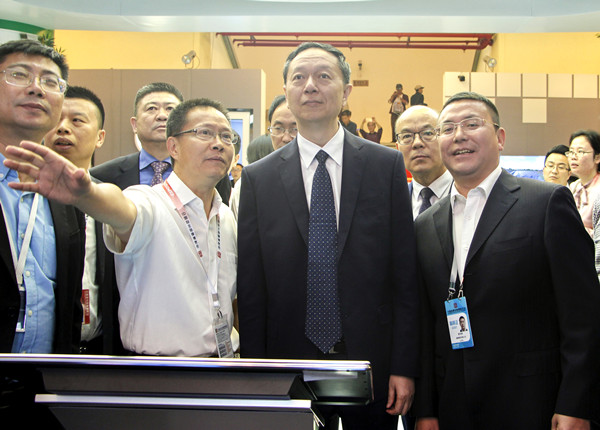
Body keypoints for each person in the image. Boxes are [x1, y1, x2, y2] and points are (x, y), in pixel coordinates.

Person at [237, 42, 418, 430]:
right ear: (286, 92)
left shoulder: (385, 165)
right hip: (287, 366)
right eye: (298, 78)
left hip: (370, 362)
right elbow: (252, 289)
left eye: (323, 76)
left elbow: (404, 276)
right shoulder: (258, 179)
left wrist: (403, 366)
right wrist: (255, 372)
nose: (310, 86)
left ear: (346, 91)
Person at [413, 92, 600, 430]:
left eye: (472, 124)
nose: (459, 135)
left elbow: (583, 315)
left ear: (500, 137)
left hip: (532, 402)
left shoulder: (545, 204)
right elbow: (426, 326)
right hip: (454, 405)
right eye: (447, 128)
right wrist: (426, 410)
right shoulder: (426, 224)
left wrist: (577, 403)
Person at [5, 98, 240, 357]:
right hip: (160, 370)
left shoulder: (225, 216)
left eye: (226, 136)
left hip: (223, 364)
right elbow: (120, 209)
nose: (218, 143)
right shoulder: (149, 202)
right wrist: (86, 195)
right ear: (173, 146)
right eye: (204, 133)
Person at [0, 39, 85, 354]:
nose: (36, 89)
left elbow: (70, 302)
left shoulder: (67, 191)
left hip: (45, 376)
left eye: (51, 82)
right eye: (19, 75)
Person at [44, 85, 123, 355]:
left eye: (77, 121)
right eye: (56, 120)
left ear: (100, 137)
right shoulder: (30, 196)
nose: (63, 128)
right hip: (50, 350)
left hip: (102, 349)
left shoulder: (110, 198)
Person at [90, 82, 183, 188]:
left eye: (170, 109)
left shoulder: (198, 173)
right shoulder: (101, 176)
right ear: (134, 124)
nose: (162, 116)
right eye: (152, 108)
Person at [396, 106, 452, 220]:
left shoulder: (469, 194)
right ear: (398, 148)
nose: (417, 143)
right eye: (407, 136)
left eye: (427, 133)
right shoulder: (394, 202)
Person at [567, 130, 600, 235]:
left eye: (580, 151)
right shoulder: (574, 186)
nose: (573, 157)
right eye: (571, 152)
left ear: (597, 157)